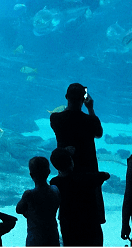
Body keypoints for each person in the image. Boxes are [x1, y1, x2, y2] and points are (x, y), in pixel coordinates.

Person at [49, 83, 106, 246]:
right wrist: (91, 109)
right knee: (91, 219)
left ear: (66, 97)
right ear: (84, 99)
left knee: (69, 217)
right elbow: (99, 133)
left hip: (66, 176)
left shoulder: (56, 119)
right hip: (89, 175)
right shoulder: (89, 120)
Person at [50, 147, 109, 247]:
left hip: (68, 224)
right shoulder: (86, 179)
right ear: (71, 161)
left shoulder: (54, 183)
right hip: (89, 223)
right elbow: (106, 175)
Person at [16, 156, 60, 246]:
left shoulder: (29, 194)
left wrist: (28, 213)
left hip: (35, 238)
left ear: (31, 175)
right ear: (48, 172)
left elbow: (18, 209)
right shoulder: (55, 189)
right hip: (53, 235)